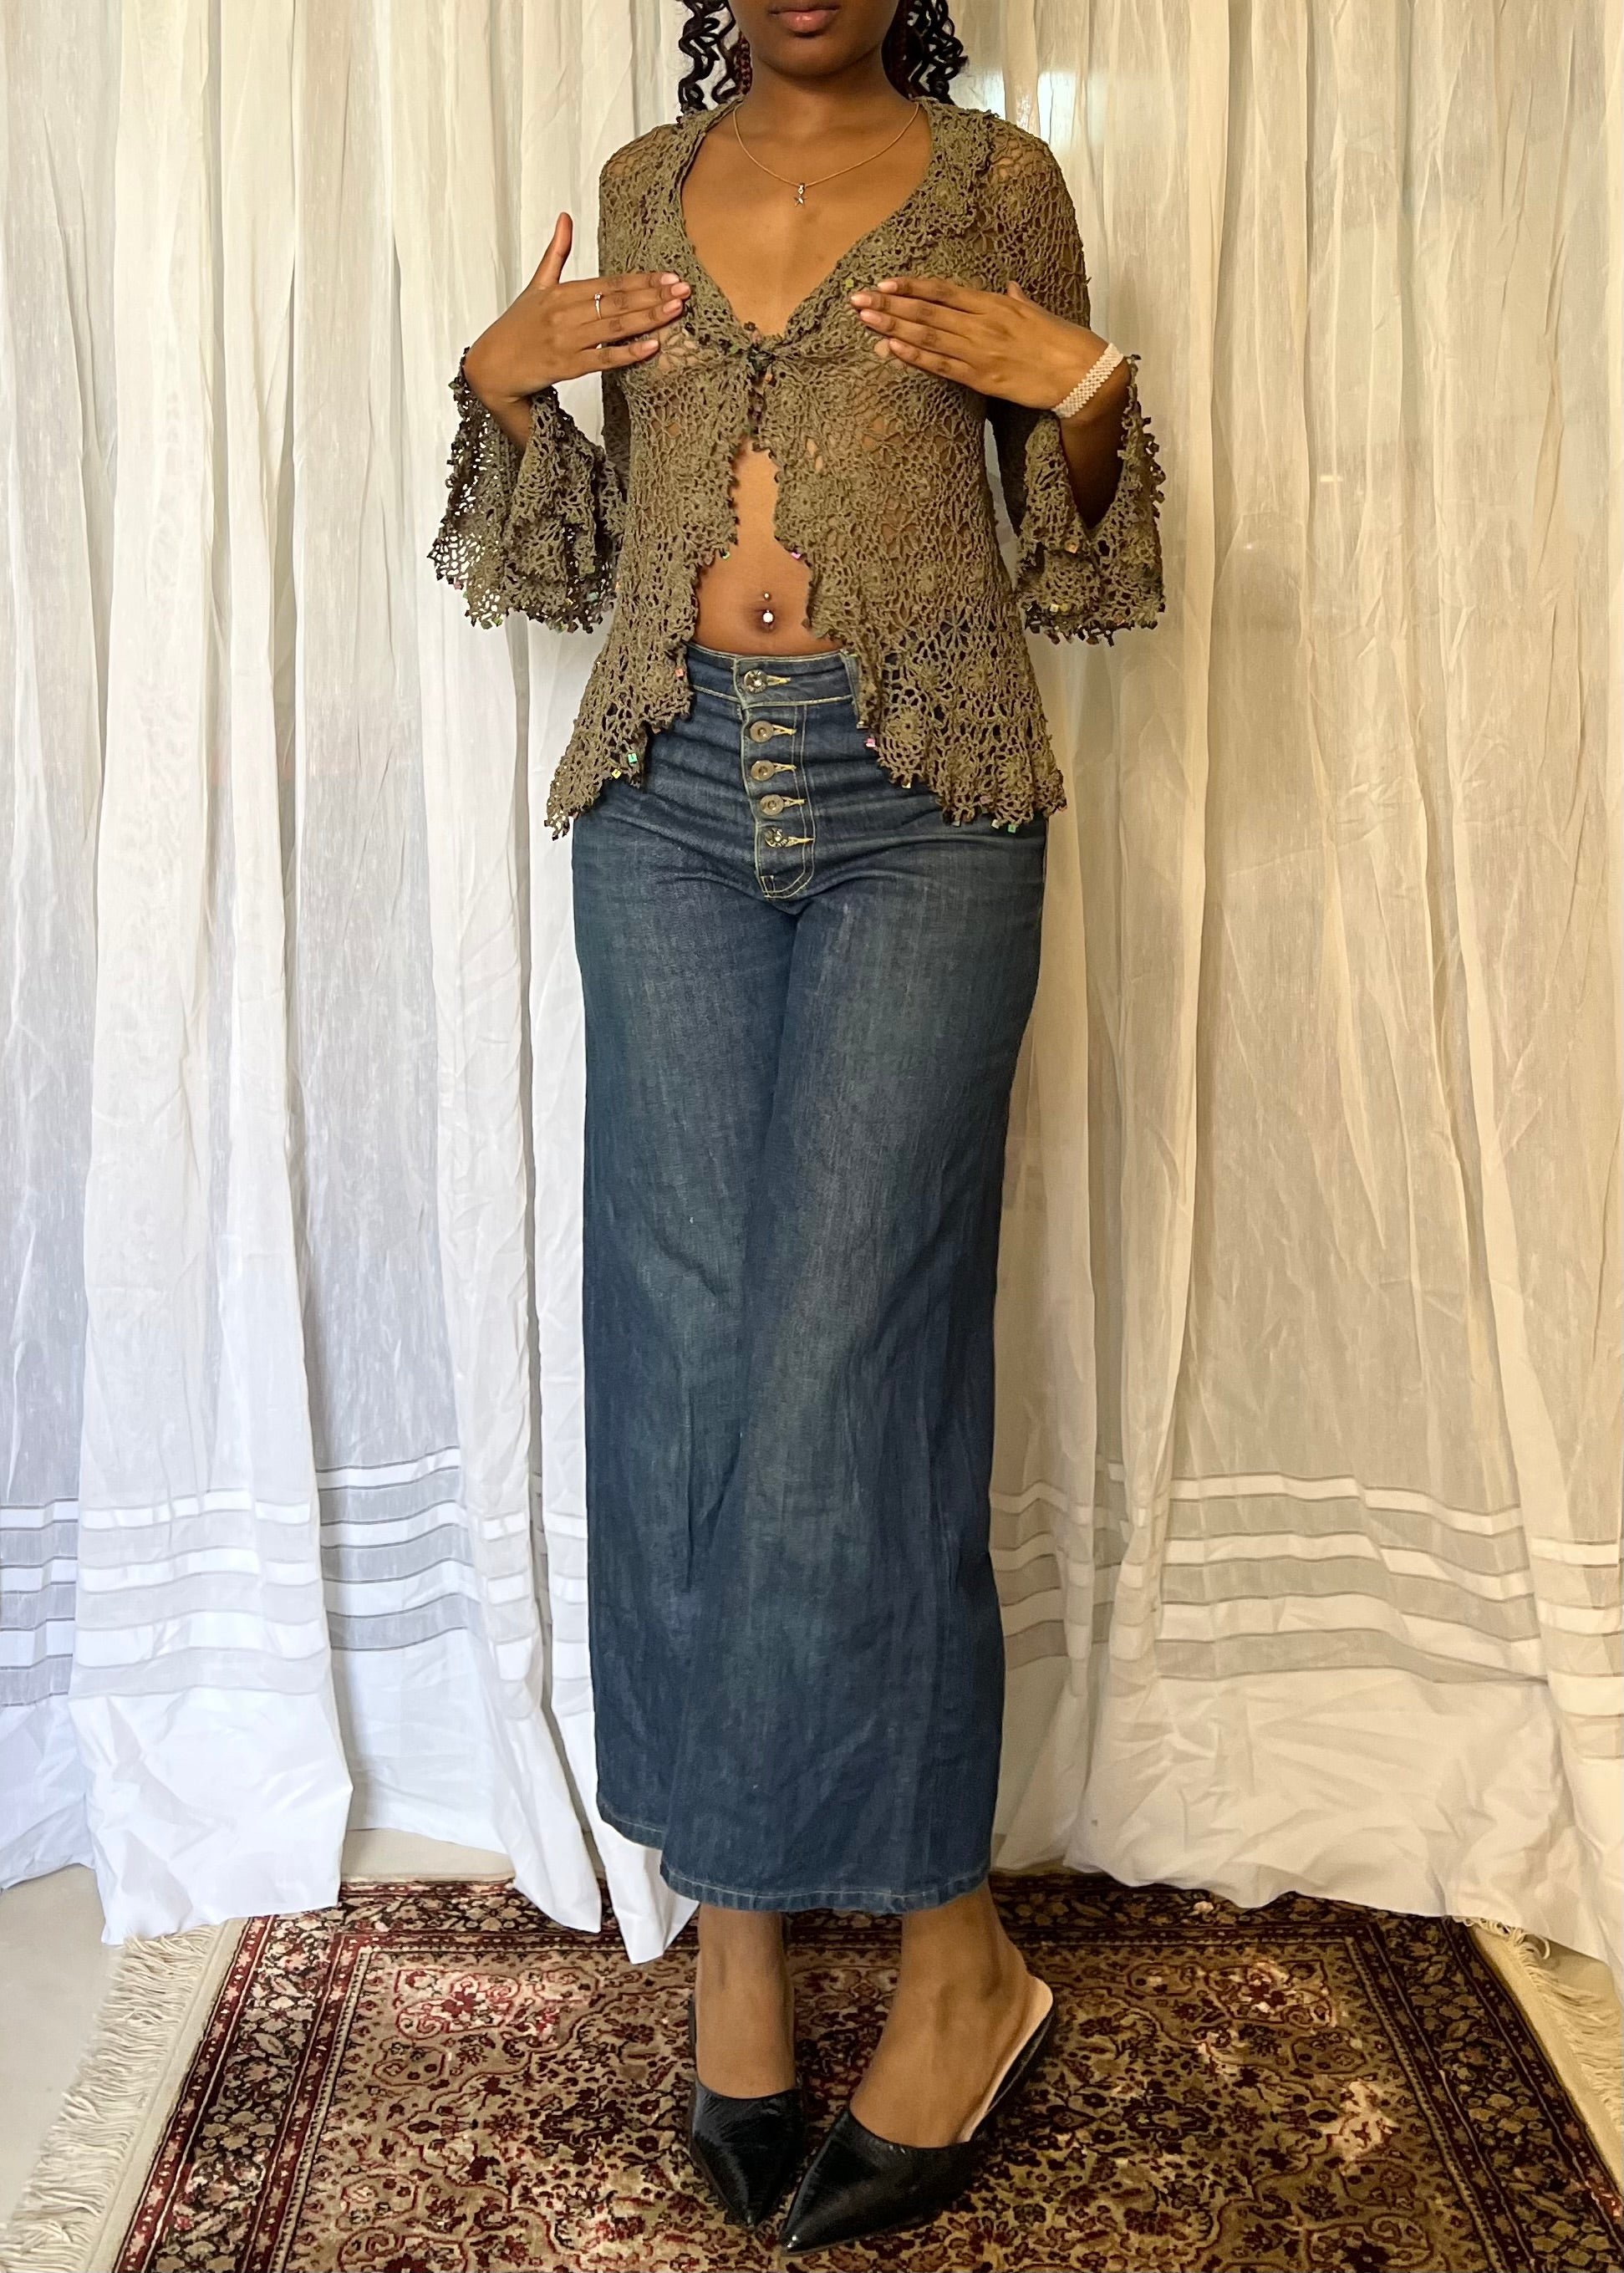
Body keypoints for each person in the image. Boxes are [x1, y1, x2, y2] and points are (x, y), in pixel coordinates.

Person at [430, 0, 1164, 2250]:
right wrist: (501, 387)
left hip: (918, 800)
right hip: (664, 799)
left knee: (861, 1363)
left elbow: (1082, 556)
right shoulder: (640, 189)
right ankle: (733, 1943)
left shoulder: (1000, 181)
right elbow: (566, 566)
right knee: (679, 1362)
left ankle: (958, 1956)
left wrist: (1090, 397)